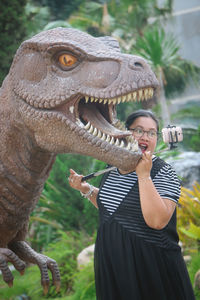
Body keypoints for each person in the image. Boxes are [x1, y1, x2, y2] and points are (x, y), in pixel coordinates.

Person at [68, 109, 195, 300]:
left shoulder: (163, 172)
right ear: (126, 134)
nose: (146, 136)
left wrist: (143, 175)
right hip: (114, 265)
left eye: (152, 133)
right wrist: (86, 189)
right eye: (139, 130)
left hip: (151, 268)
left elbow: (157, 221)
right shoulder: (111, 170)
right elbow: (115, 210)